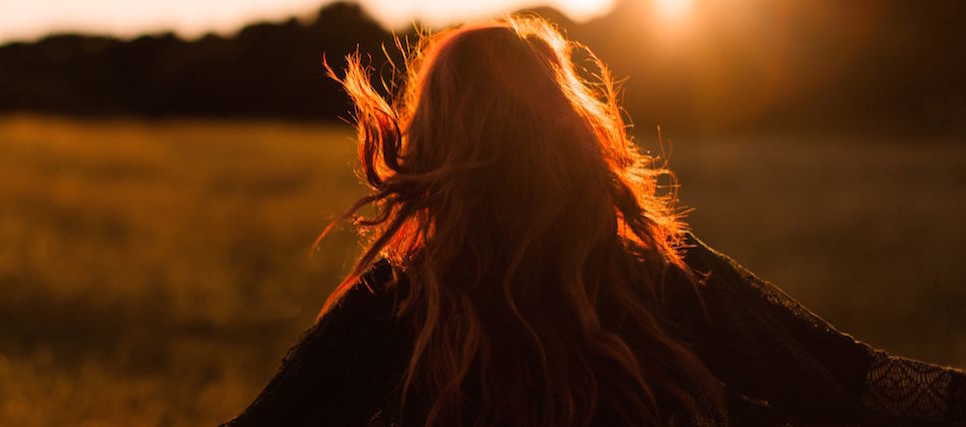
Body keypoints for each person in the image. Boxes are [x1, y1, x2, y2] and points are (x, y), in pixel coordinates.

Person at [221, 17, 965, 427]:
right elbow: (863, 383)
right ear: (571, 134)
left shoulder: (391, 307)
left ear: (433, 144)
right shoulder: (660, 273)